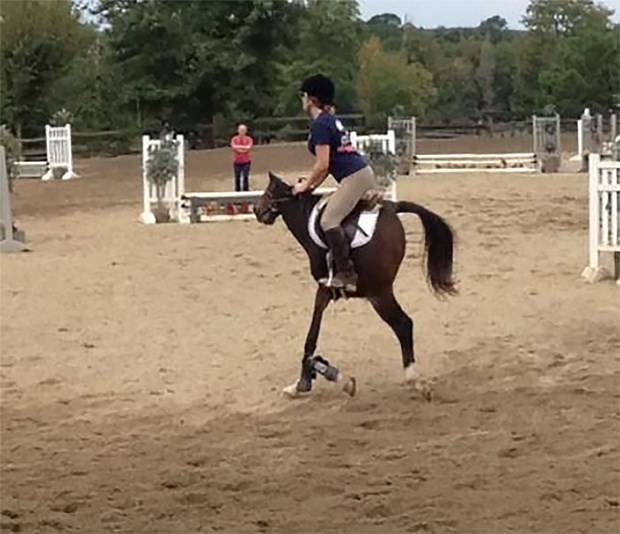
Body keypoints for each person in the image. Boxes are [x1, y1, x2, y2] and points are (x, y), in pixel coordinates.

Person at [292, 74, 378, 293]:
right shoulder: (330, 120)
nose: (302, 100)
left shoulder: (320, 124)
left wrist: (305, 186)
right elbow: (326, 167)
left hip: (354, 178)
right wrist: (311, 185)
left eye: (303, 96)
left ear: (311, 99)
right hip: (361, 173)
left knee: (329, 220)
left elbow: (322, 165)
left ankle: (346, 274)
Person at [231, 124, 253, 191]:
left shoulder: (249, 139)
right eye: (241, 130)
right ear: (238, 131)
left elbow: (249, 147)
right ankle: (237, 191)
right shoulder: (234, 139)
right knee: (237, 177)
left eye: (243, 130)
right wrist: (244, 149)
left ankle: (246, 190)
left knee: (246, 177)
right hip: (237, 161)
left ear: (246, 131)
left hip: (246, 161)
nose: (242, 131)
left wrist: (239, 148)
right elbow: (234, 147)